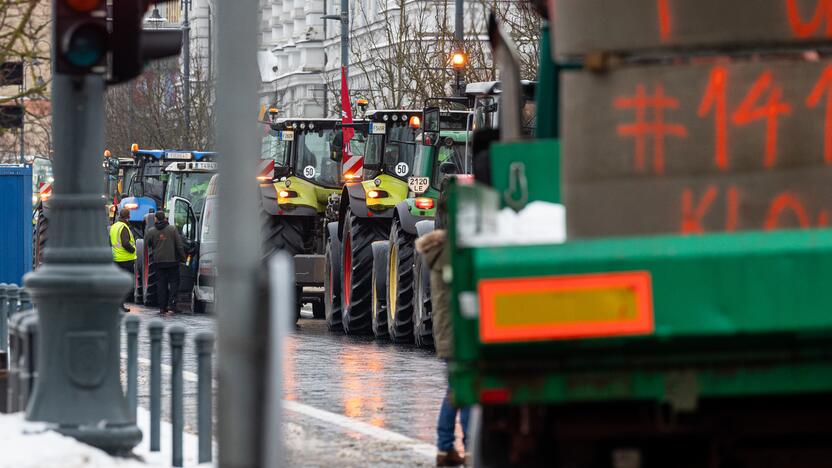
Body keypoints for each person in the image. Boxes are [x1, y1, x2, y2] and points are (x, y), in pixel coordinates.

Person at [416, 185, 469, 467]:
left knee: (455, 389)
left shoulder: (439, 251)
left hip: (448, 333)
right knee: (465, 390)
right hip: (458, 334)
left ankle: (445, 446)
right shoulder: (451, 252)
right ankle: (466, 444)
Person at [145, 210, 185, 316]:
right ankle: (172, 305)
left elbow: (147, 243)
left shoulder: (151, 231)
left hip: (159, 262)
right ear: (165, 218)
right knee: (174, 284)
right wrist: (182, 258)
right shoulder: (172, 229)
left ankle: (162, 308)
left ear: (156, 219)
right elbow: (179, 245)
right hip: (172, 262)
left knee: (161, 285)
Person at [110, 208, 137, 311]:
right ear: (128, 216)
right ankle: (120, 305)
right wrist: (132, 249)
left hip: (116, 258)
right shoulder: (124, 227)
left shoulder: (114, 226)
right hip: (125, 259)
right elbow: (125, 243)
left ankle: (118, 305)